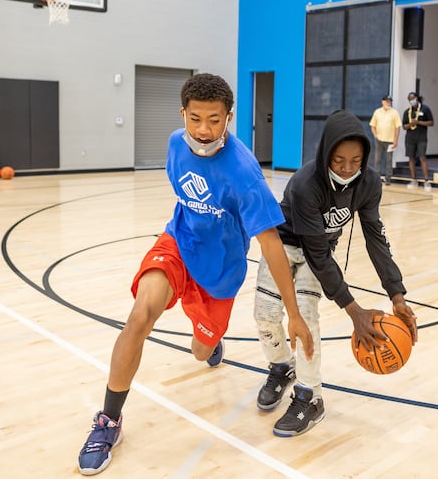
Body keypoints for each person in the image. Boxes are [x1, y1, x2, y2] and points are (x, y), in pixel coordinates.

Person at [76, 73, 314, 475]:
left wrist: (293, 312)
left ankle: (210, 339)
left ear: (230, 118)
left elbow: (271, 245)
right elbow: (184, 195)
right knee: (139, 318)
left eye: (215, 120)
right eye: (196, 119)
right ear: (183, 114)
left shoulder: (244, 174)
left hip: (219, 274)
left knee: (200, 351)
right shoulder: (175, 144)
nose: (204, 131)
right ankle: (109, 421)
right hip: (178, 246)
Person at [253, 109, 418, 437]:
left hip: (321, 252)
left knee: (307, 319)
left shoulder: (369, 183)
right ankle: (282, 366)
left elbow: (375, 238)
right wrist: (353, 310)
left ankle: (310, 396)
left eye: (355, 160)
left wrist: (396, 296)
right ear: (325, 152)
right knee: (266, 316)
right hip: (285, 245)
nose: (346, 168)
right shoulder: (305, 185)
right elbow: (313, 252)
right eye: (339, 160)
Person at [401, 91, 434, 190]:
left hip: (421, 138)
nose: (412, 101)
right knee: (411, 158)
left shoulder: (425, 109)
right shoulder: (407, 111)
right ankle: (413, 180)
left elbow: (431, 122)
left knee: (422, 158)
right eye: (410, 100)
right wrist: (411, 124)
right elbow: (404, 126)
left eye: (413, 99)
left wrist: (419, 122)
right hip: (410, 138)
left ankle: (426, 181)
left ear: (417, 98)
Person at [369, 94, 402, 185]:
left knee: (388, 160)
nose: (388, 103)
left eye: (390, 101)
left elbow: (397, 127)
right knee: (377, 159)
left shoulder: (394, 112)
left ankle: (388, 179)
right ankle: (377, 178)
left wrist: (396, 140)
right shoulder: (377, 112)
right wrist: (375, 135)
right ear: (382, 102)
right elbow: (372, 125)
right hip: (379, 140)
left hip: (390, 140)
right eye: (387, 101)